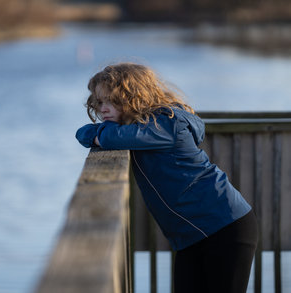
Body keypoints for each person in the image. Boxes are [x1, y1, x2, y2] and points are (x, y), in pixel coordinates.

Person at [75, 63, 258, 293]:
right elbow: (82, 133)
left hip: (225, 225)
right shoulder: (141, 129)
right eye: (99, 102)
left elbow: (110, 138)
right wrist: (98, 134)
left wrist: (99, 135)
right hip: (192, 235)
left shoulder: (165, 123)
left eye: (110, 100)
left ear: (132, 96)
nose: (103, 109)